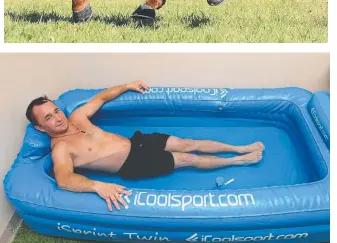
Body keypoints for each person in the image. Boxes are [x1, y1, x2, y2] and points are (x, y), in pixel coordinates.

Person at [26, 81, 264, 211]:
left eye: (56, 110)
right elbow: (64, 179)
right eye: (48, 118)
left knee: (188, 143)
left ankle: (239, 147)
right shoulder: (61, 149)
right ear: (40, 128)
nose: (57, 117)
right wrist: (98, 186)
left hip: (137, 141)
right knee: (186, 159)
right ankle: (238, 160)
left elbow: (102, 97)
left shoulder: (77, 117)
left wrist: (127, 86)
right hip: (133, 164)